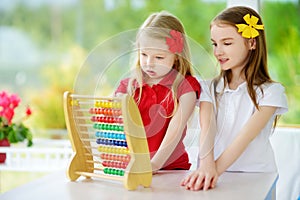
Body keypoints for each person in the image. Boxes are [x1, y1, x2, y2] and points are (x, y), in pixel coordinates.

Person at [181, 6, 288, 190]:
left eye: (227, 43)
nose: (218, 51)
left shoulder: (271, 92)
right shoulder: (208, 88)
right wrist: (206, 166)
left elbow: (244, 138)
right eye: (215, 43)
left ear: (251, 43)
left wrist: (213, 170)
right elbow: (207, 128)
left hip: (257, 177)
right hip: (215, 174)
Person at [115, 11, 201, 171]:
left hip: (170, 170)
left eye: (159, 57)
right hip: (133, 169)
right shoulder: (128, 86)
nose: (149, 63)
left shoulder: (185, 86)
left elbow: (176, 128)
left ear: (177, 56)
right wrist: (117, 106)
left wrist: (154, 165)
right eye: (144, 54)